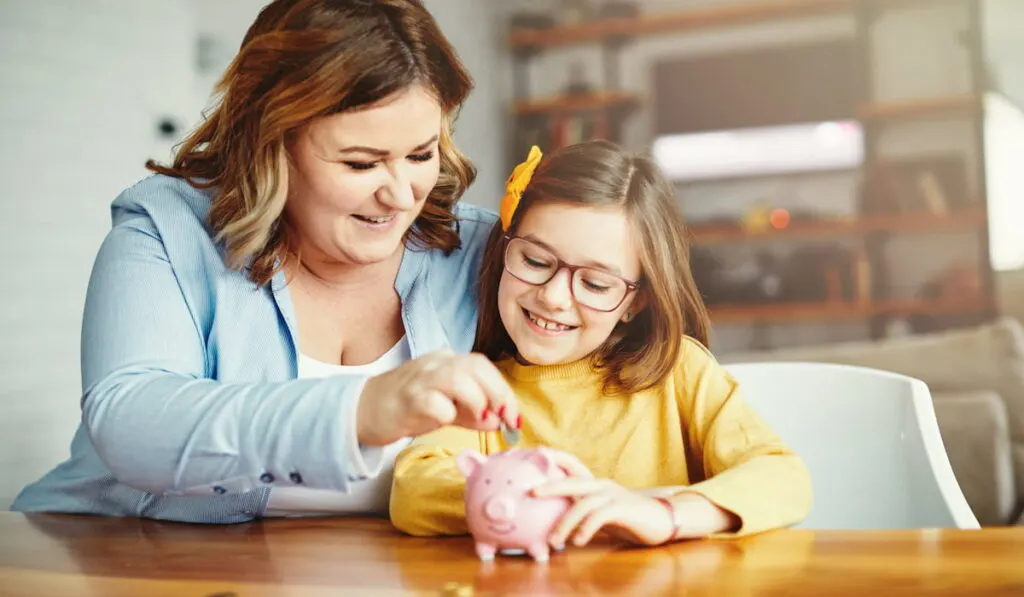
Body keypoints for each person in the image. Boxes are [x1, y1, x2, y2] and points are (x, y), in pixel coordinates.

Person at [11, 0, 521, 523]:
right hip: (107, 556)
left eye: (420, 154)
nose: (399, 195)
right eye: (361, 163)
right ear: (272, 143)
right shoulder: (169, 227)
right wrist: (360, 410)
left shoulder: (479, 251)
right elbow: (129, 422)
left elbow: (599, 361)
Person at [389, 141, 812, 548]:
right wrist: (549, 498)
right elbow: (414, 490)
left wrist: (666, 514)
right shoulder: (481, 387)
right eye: (535, 261)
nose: (554, 297)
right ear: (504, 251)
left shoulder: (680, 371)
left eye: (595, 283)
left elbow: (781, 476)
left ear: (635, 301)